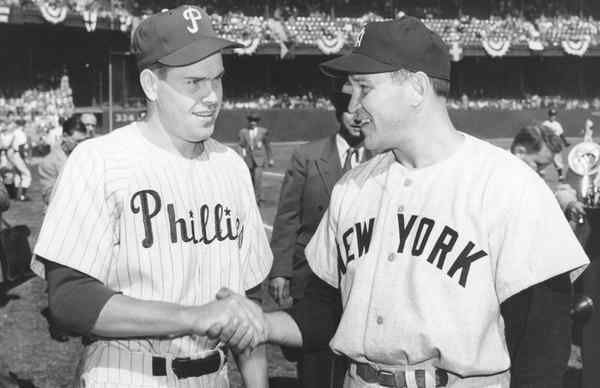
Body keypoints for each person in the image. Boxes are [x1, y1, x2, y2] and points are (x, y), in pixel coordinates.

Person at [214, 17, 589, 388]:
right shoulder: (352, 188)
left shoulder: (509, 186)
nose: (352, 104)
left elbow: (543, 343)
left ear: (416, 88)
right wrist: (263, 323)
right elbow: (326, 314)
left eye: (364, 87)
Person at [30, 6, 272, 387]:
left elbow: (248, 304)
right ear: (150, 85)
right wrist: (193, 316)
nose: (212, 97)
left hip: (214, 375)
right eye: (193, 82)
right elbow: (69, 300)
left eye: (218, 79)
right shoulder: (100, 160)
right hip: (128, 372)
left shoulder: (233, 168)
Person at [269, 86, 368, 388]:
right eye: (351, 111)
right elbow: (288, 217)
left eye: (362, 113)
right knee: (315, 363)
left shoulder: (383, 158)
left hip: (360, 281)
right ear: (339, 113)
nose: (356, 118)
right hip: (311, 278)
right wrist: (281, 271)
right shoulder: (307, 156)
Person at [507, 124, 585, 387]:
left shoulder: (524, 176)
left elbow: (552, 190)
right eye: (538, 164)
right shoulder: (501, 181)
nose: (541, 172)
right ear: (519, 151)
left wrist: (567, 199)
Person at [38, 115, 89, 206]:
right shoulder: (48, 162)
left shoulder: (87, 156)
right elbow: (49, 197)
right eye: (78, 141)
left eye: (84, 141)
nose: (81, 145)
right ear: (65, 137)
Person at [238, 112, 274, 204]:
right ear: (248, 121)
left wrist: (270, 158)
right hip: (248, 160)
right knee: (249, 180)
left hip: (259, 160)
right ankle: (250, 197)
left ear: (258, 122)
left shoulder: (263, 131)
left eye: (255, 121)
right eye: (251, 120)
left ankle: (256, 200)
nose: (253, 122)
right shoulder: (243, 132)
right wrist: (241, 157)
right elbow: (241, 145)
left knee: (258, 179)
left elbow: (268, 146)